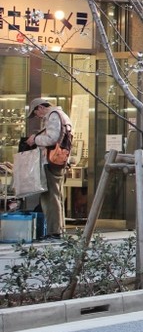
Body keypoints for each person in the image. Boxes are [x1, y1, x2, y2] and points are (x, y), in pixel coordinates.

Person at [25, 97, 71, 241]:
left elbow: (52, 138)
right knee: (55, 195)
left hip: (52, 161)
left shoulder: (53, 116)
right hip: (59, 160)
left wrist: (35, 139)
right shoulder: (61, 115)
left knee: (50, 196)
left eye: (36, 113)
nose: (38, 116)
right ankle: (57, 230)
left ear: (40, 108)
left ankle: (54, 232)